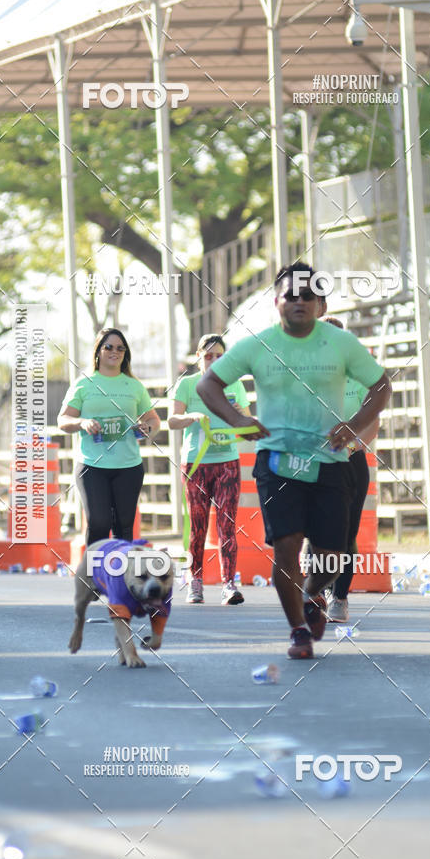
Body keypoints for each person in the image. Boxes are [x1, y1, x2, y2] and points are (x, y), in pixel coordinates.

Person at [197, 263, 391, 658]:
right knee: (286, 547)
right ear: (276, 302)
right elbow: (208, 383)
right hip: (277, 462)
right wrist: (238, 419)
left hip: (331, 462)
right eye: (291, 294)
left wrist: (354, 425)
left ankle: (313, 591)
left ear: (320, 304)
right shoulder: (259, 343)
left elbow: (381, 384)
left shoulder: (340, 343)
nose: (299, 301)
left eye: (308, 295)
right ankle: (299, 631)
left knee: (332, 556)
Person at [58, 328, 161, 546]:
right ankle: (93, 578)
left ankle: (119, 577)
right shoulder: (84, 383)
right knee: (99, 523)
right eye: (109, 347)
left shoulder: (134, 385)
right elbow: (63, 420)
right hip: (92, 466)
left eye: (121, 348)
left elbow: (154, 420)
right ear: (98, 351)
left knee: (123, 526)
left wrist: (146, 428)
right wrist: (82, 423)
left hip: (129, 466)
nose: (115, 352)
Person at [169, 334, 250, 605]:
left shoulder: (235, 385)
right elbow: (172, 420)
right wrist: (191, 417)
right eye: (208, 355)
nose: (214, 360)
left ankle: (229, 583)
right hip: (196, 462)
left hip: (227, 461)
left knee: (227, 524)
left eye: (219, 356)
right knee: (198, 525)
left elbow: (249, 425)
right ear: (198, 356)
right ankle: (196, 582)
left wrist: (240, 415)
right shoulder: (188, 385)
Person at [318, 311, 380, 624]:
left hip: (351, 461)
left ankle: (339, 598)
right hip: (313, 461)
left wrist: (353, 446)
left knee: (346, 534)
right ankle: (316, 587)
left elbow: (373, 421)